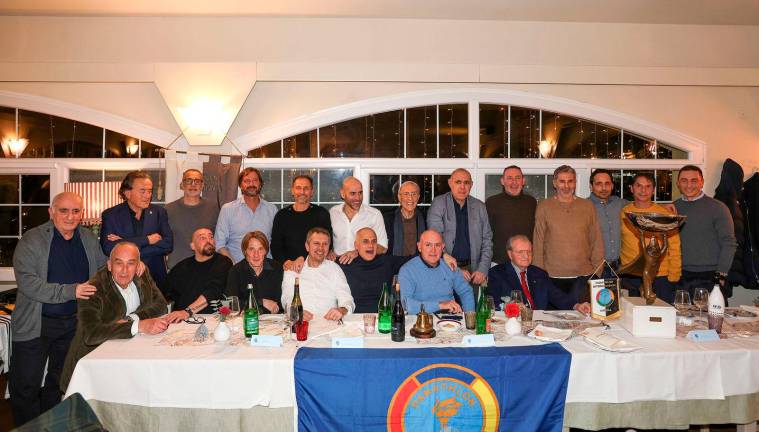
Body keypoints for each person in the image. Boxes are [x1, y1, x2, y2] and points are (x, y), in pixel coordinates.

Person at [8, 192, 107, 427]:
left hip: (73, 324)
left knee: (58, 382)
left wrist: (127, 262)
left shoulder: (89, 239)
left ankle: (50, 426)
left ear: (82, 214)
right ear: (51, 212)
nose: (70, 216)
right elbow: (28, 283)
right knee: (26, 386)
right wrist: (70, 291)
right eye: (63, 210)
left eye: (75, 211)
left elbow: (103, 269)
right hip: (36, 324)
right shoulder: (32, 240)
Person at [60, 242, 169, 392]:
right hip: (90, 371)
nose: (124, 270)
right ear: (109, 265)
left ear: (138, 266)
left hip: (126, 364)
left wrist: (132, 319)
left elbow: (161, 304)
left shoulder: (142, 275)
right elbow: (91, 335)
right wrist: (139, 326)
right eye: (119, 263)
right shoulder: (92, 289)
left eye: (131, 264)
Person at [533, 165, 604, 294]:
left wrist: (597, 273)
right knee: (552, 315)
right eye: (562, 181)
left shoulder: (587, 206)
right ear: (554, 183)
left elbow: (596, 240)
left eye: (570, 181)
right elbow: (538, 243)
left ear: (575, 183)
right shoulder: (544, 207)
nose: (566, 186)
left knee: (584, 314)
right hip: (552, 277)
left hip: (584, 276)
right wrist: (539, 275)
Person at [101, 170, 174, 292]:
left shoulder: (159, 212)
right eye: (143, 191)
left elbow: (168, 244)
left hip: (155, 280)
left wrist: (124, 243)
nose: (148, 195)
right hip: (123, 282)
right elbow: (109, 248)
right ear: (127, 193)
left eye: (150, 191)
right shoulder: (111, 215)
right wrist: (147, 240)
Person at [674, 165, 737, 298]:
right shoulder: (673, 208)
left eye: (694, 181)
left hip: (711, 276)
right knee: (682, 317)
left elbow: (729, 243)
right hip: (680, 275)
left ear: (702, 182)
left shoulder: (718, 208)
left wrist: (721, 274)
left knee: (712, 317)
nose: (689, 185)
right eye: (684, 180)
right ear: (678, 183)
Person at [619, 172, 682, 303]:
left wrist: (674, 275)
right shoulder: (623, 212)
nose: (643, 190)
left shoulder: (665, 214)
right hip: (631, 276)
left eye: (648, 186)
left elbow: (674, 246)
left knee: (659, 318)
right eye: (639, 186)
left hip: (660, 276)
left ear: (653, 190)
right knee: (632, 317)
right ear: (631, 188)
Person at [488, 235, 591, 313]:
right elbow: (491, 302)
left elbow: (556, 295)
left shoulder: (539, 273)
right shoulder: (497, 273)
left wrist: (577, 306)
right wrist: (507, 306)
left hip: (539, 325)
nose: (526, 256)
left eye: (529, 252)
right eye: (520, 252)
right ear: (510, 254)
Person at [427, 168, 493, 285]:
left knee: (472, 303)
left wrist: (482, 269)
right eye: (458, 182)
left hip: (473, 271)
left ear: (471, 185)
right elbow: (434, 240)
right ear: (450, 183)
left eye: (466, 183)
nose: (462, 187)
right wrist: (455, 268)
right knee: (447, 303)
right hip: (445, 268)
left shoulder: (479, 206)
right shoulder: (439, 203)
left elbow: (487, 240)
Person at [281, 227, 355, 320]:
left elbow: (347, 300)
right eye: (316, 243)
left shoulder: (335, 269)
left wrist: (342, 310)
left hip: (329, 324)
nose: (321, 248)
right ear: (307, 246)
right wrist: (294, 311)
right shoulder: (292, 269)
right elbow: (286, 299)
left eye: (325, 244)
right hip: (300, 322)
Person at [398, 230, 475, 314]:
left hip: (450, 321)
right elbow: (406, 305)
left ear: (442, 247)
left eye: (437, 245)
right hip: (421, 320)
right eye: (428, 245)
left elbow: (466, 291)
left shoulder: (449, 266)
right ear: (419, 247)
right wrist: (440, 305)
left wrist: (469, 317)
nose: (433, 250)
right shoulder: (407, 270)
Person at [163, 228, 232, 322]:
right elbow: (163, 293)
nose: (208, 240)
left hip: (213, 319)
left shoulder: (223, 262)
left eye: (211, 237)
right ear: (192, 246)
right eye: (202, 238)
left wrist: (187, 312)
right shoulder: (181, 267)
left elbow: (212, 291)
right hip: (182, 322)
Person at [340, 228, 413, 313]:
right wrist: (330, 253)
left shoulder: (386, 262)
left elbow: (412, 259)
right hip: (353, 318)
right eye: (365, 241)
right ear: (356, 245)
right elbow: (324, 258)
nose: (370, 245)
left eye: (374, 241)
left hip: (382, 318)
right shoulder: (345, 262)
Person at [215, 167, 278, 263]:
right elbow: (219, 244)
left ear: (260, 184)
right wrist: (234, 266)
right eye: (247, 181)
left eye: (255, 180)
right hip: (236, 270)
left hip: (266, 271)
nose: (251, 184)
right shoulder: (227, 210)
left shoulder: (272, 210)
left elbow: (277, 243)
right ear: (240, 185)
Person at [271, 175, 332, 264]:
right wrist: (285, 262)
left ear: (312, 191)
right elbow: (276, 246)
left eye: (306, 188)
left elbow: (328, 242)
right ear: (292, 191)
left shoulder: (321, 213)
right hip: (289, 267)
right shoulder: (282, 215)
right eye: (298, 188)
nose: (302, 192)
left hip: (315, 266)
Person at [166, 169, 220, 269]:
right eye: (188, 180)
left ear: (202, 186)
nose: (193, 185)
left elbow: (218, 238)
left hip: (206, 267)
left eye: (197, 181)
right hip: (176, 268)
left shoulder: (213, 208)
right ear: (182, 185)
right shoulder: (168, 209)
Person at [485, 165, 537, 264]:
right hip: (498, 262)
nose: (514, 182)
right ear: (502, 181)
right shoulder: (492, 202)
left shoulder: (531, 202)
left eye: (518, 178)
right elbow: (485, 235)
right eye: (509, 178)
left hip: (526, 261)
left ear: (523, 181)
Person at [329, 176, 388, 261]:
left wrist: (358, 252)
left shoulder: (374, 214)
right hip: (337, 265)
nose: (358, 198)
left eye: (360, 193)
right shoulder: (332, 212)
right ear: (342, 194)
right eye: (353, 193)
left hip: (364, 266)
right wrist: (328, 251)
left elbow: (383, 247)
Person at [226, 231, 284, 314]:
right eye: (251, 249)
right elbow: (230, 304)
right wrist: (261, 302)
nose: (256, 255)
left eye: (260, 249)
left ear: (265, 251)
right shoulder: (236, 271)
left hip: (273, 321)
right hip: (245, 320)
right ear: (245, 251)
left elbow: (281, 303)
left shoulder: (277, 268)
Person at [588, 168, 628, 268]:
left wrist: (666, 206)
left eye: (607, 183)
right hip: (594, 268)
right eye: (599, 184)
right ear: (591, 187)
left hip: (619, 268)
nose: (604, 188)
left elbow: (642, 206)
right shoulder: (584, 207)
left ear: (612, 186)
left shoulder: (622, 204)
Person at [383, 181, 427, 257]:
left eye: (414, 194)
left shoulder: (426, 218)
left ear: (418, 197)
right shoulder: (387, 219)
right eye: (406, 194)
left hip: (418, 264)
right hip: (394, 264)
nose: (410, 198)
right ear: (399, 197)